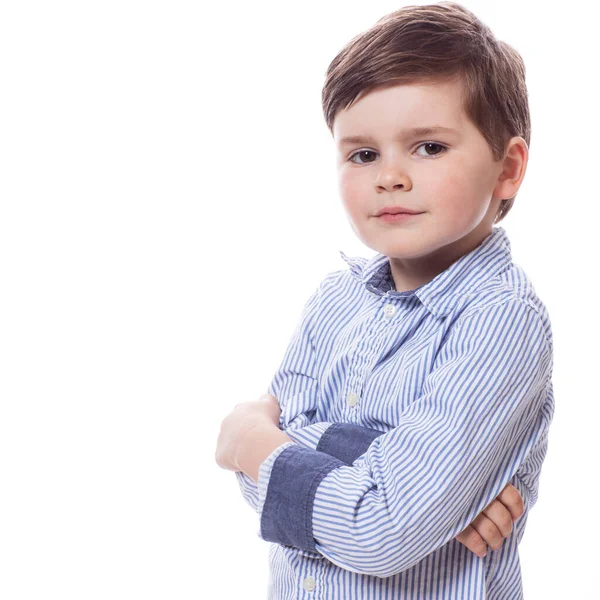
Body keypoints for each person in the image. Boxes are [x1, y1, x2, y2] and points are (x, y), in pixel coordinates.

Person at [215, 2, 554, 598]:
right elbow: (263, 482)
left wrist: (258, 444)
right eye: (363, 154)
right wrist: (430, 490)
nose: (389, 176)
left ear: (507, 169)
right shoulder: (334, 301)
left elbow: (382, 533)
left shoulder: (502, 321)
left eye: (428, 147)